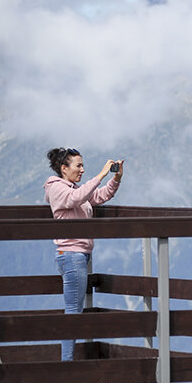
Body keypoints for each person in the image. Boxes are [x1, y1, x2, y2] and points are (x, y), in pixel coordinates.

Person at [44, 147, 124, 361]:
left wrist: (116, 178)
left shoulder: (74, 189)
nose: (82, 169)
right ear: (64, 168)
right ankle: (66, 364)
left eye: (82, 165)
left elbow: (99, 195)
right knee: (73, 311)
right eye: (78, 165)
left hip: (77, 256)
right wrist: (101, 174)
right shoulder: (57, 189)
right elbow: (76, 198)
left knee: (75, 309)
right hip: (72, 255)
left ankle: (67, 362)